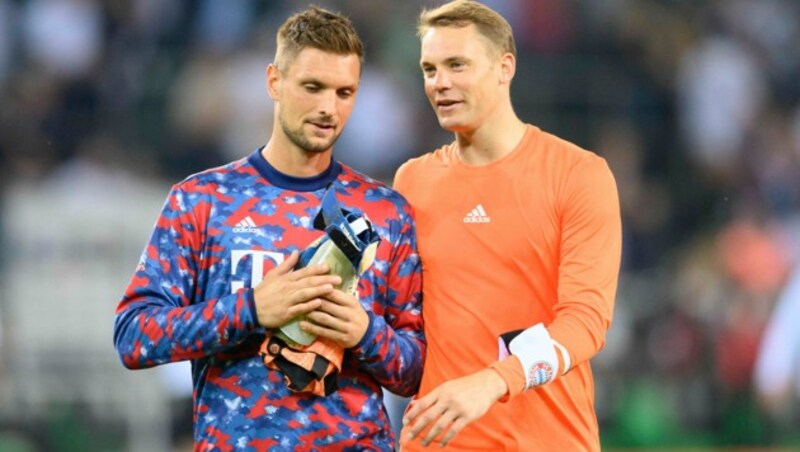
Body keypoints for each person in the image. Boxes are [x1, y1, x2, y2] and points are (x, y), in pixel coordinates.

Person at [113, 6, 425, 450]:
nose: (327, 108)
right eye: (312, 87)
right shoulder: (202, 200)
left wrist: (364, 332)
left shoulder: (387, 212)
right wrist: (252, 309)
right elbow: (134, 336)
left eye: (344, 92)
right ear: (274, 82)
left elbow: (416, 370)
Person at [393, 1, 622, 450]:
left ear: (505, 67)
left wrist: (493, 382)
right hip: (438, 442)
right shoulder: (411, 181)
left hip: (549, 439)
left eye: (457, 65)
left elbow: (585, 322)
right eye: (430, 69)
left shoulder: (577, 174)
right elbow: (399, 320)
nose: (440, 83)